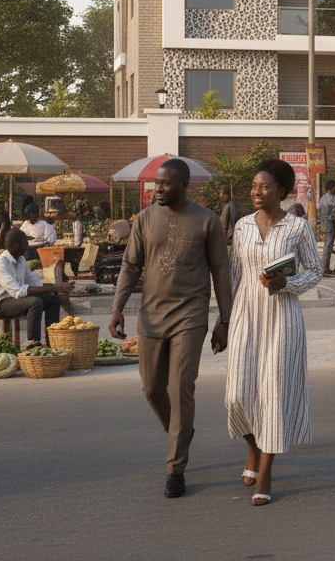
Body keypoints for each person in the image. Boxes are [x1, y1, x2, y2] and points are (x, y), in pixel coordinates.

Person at [108, 158, 231, 499]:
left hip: (190, 317)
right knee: (151, 389)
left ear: (183, 185)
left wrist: (225, 319)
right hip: (150, 315)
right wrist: (117, 307)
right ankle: (181, 431)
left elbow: (221, 269)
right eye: (156, 183)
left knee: (180, 387)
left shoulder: (207, 221)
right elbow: (130, 265)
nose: (158, 188)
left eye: (165, 183)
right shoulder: (145, 219)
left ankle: (175, 468)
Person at [226, 159, 322, 506]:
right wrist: (225, 320)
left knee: (274, 395)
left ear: (281, 191)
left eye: (264, 186)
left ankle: (265, 469)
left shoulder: (297, 228)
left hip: (283, 318)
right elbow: (236, 274)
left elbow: (315, 270)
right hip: (246, 316)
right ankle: (253, 448)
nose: (256, 191)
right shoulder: (241, 227)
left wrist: (287, 282)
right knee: (236, 394)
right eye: (254, 186)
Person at [0, 230, 74, 344]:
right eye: (26, 244)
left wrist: (58, 286)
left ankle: (52, 342)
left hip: (14, 299)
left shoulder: (21, 260)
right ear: (16, 247)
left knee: (52, 299)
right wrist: (55, 288)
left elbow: (35, 282)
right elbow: (18, 291)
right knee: (35, 302)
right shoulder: (0, 264)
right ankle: (33, 343)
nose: (28, 247)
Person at [318, 180, 335, 276]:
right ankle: (325, 269)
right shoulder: (333, 198)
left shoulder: (322, 198)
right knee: (328, 246)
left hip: (324, 224)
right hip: (330, 224)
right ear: (333, 187)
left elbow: (320, 211)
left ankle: (325, 268)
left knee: (327, 246)